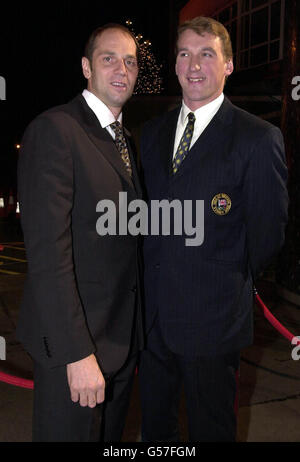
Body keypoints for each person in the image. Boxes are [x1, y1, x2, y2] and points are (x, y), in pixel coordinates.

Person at [139, 16, 288, 442]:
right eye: (185, 53)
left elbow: (267, 235)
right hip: (152, 324)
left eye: (207, 54)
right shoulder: (150, 133)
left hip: (213, 321)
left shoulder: (258, 137)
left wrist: (223, 280)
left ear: (228, 65)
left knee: (212, 429)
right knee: (156, 431)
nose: (194, 64)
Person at [17, 23, 143, 442]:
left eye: (130, 61)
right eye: (109, 58)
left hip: (120, 347)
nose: (121, 69)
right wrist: (77, 353)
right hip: (77, 351)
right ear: (87, 67)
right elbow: (48, 254)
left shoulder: (125, 141)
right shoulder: (56, 130)